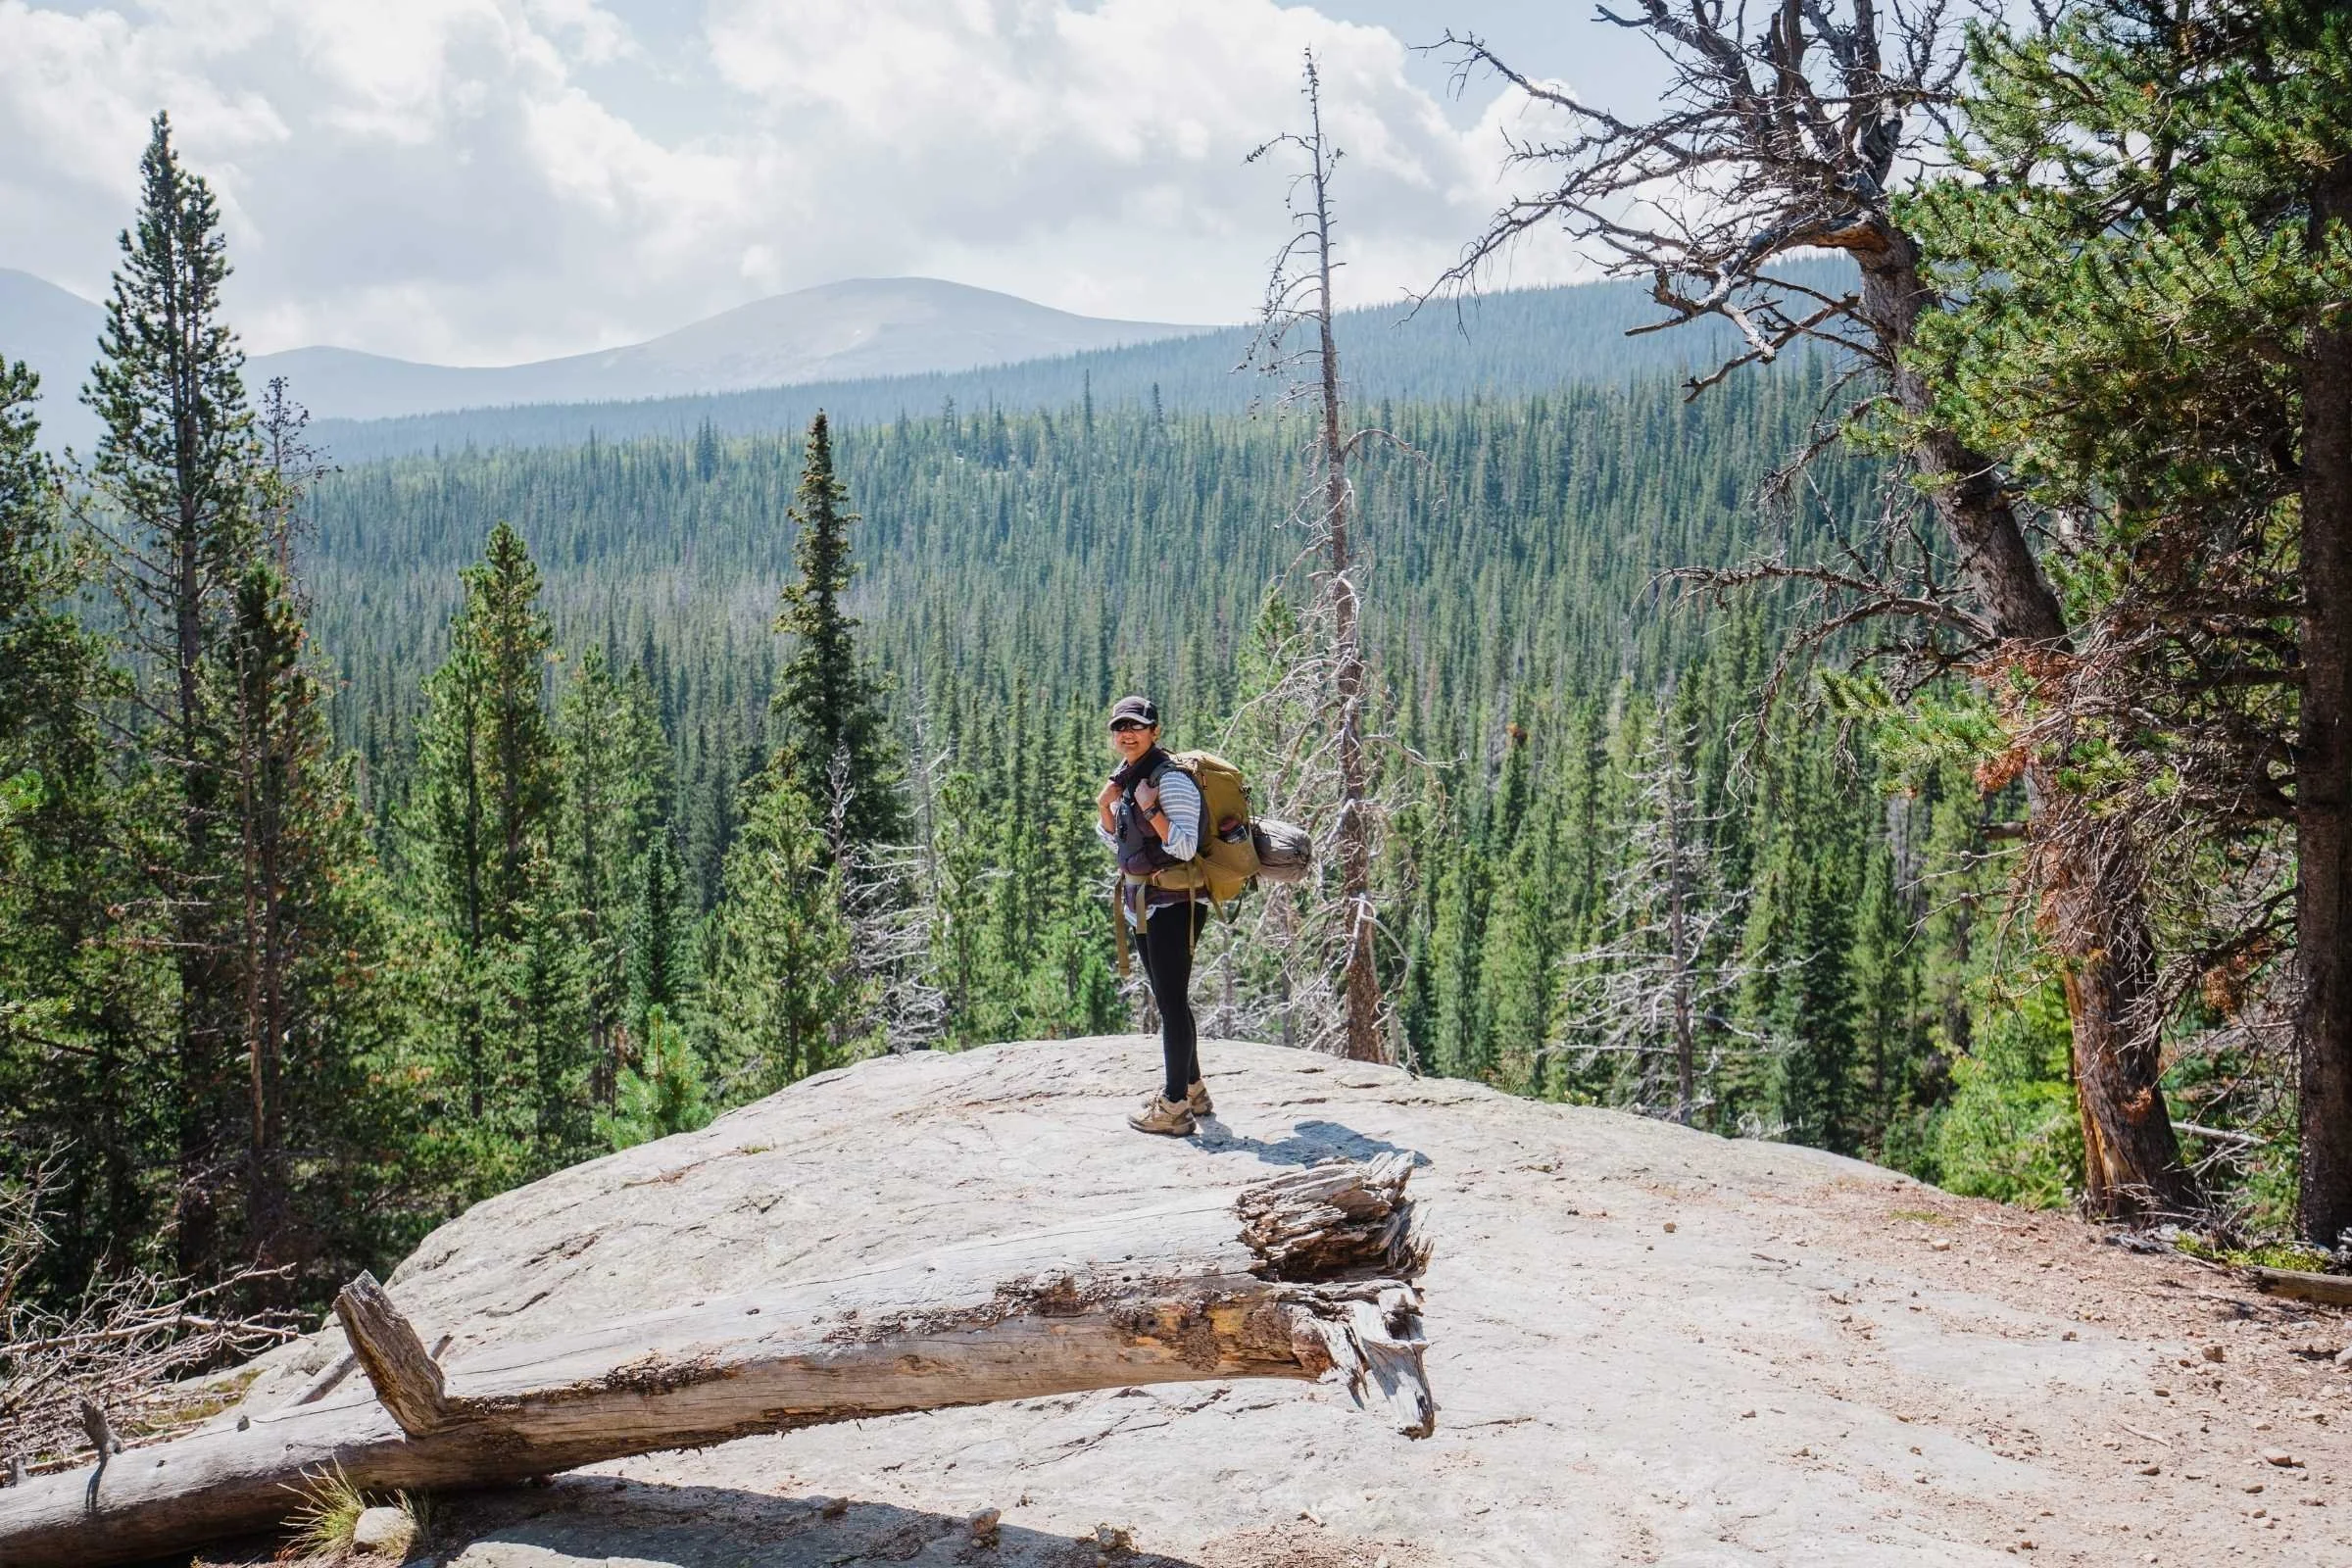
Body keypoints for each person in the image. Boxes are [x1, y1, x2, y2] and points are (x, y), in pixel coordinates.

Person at [1096, 694, 1214, 1136]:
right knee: (1172, 1000)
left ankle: (1174, 1106)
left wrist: (1150, 808)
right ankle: (1194, 1089)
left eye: (1137, 726)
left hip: (1176, 904)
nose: (1127, 734)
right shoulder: (1129, 778)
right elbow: (1120, 846)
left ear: (1154, 731)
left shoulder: (1170, 780)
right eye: (1120, 727)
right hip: (1145, 902)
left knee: (1170, 1003)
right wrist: (1106, 808)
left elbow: (1183, 846)